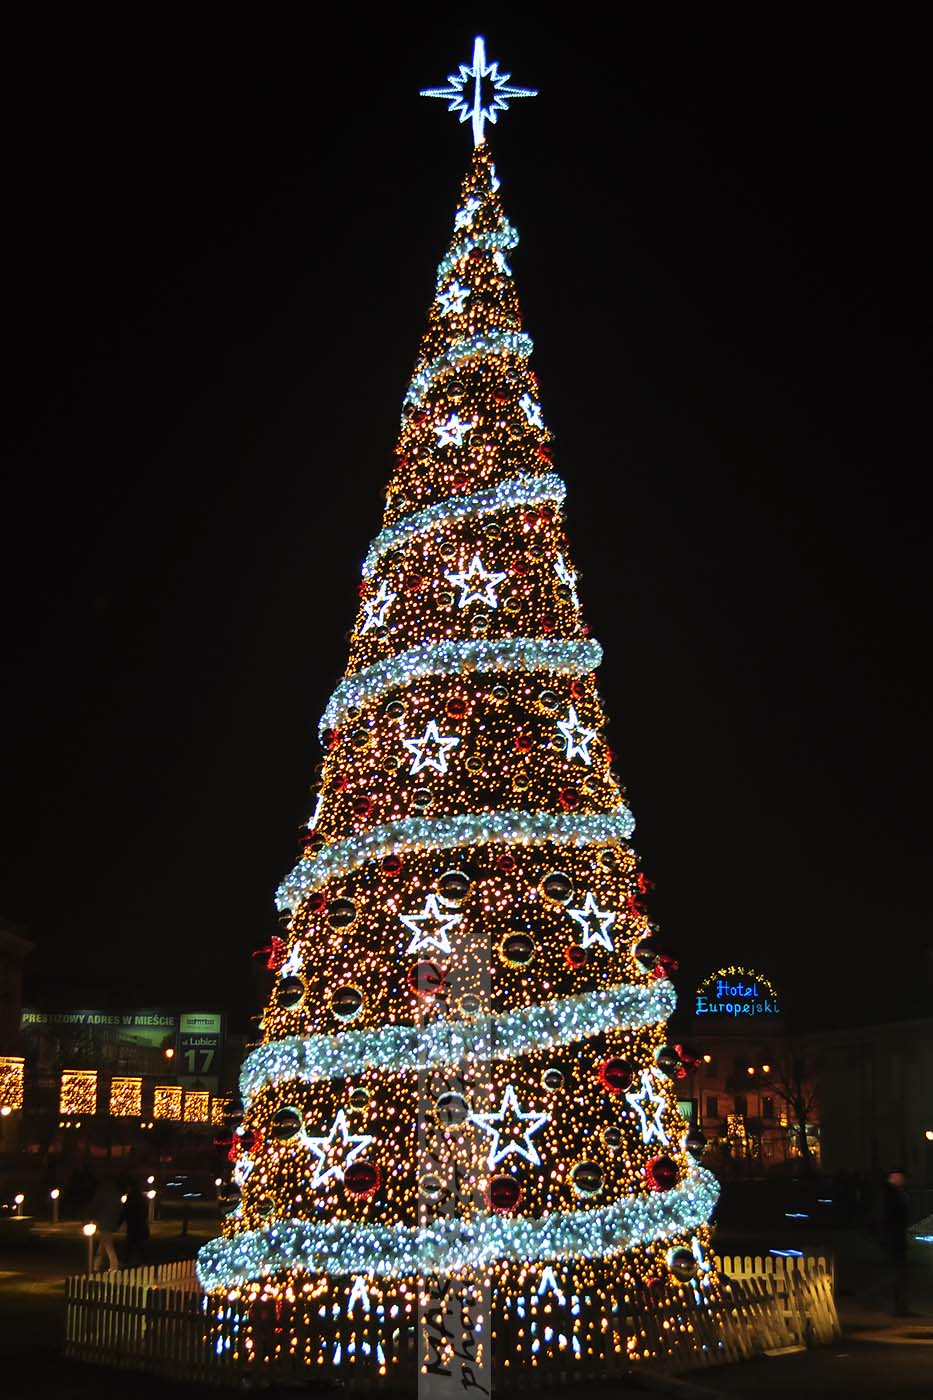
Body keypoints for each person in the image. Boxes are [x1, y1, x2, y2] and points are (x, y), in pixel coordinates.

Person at [879, 1166, 911, 1316]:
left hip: (895, 1238)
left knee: (899, 1273)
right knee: (897, 1273)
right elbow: (885, 1217)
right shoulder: (889, 1195)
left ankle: (900, 1306)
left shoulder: (895, 1193)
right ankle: (898, 1307)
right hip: (893, 1239)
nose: (902, 1180)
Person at [87, 1176, 122, 1272]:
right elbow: (119, 1208)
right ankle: (96, 1264)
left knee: (108, 1244)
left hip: (104, 1221)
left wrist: (90, 1216)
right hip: (112, 1221)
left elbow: (94, 1205)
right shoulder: (115, 1193)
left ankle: (114, 1265)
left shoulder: (101, 1193)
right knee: (103, 1243)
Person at [121, 1178, 149, 1267]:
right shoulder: (141, 1198)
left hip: (133, 1225)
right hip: (141, 1225)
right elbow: (145, 1212)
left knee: (130, 1245)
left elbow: (126, 1211)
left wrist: (120, 1221)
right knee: (140, 1245)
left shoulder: (130, 1197)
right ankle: (142, 1262)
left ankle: (127, 1261)